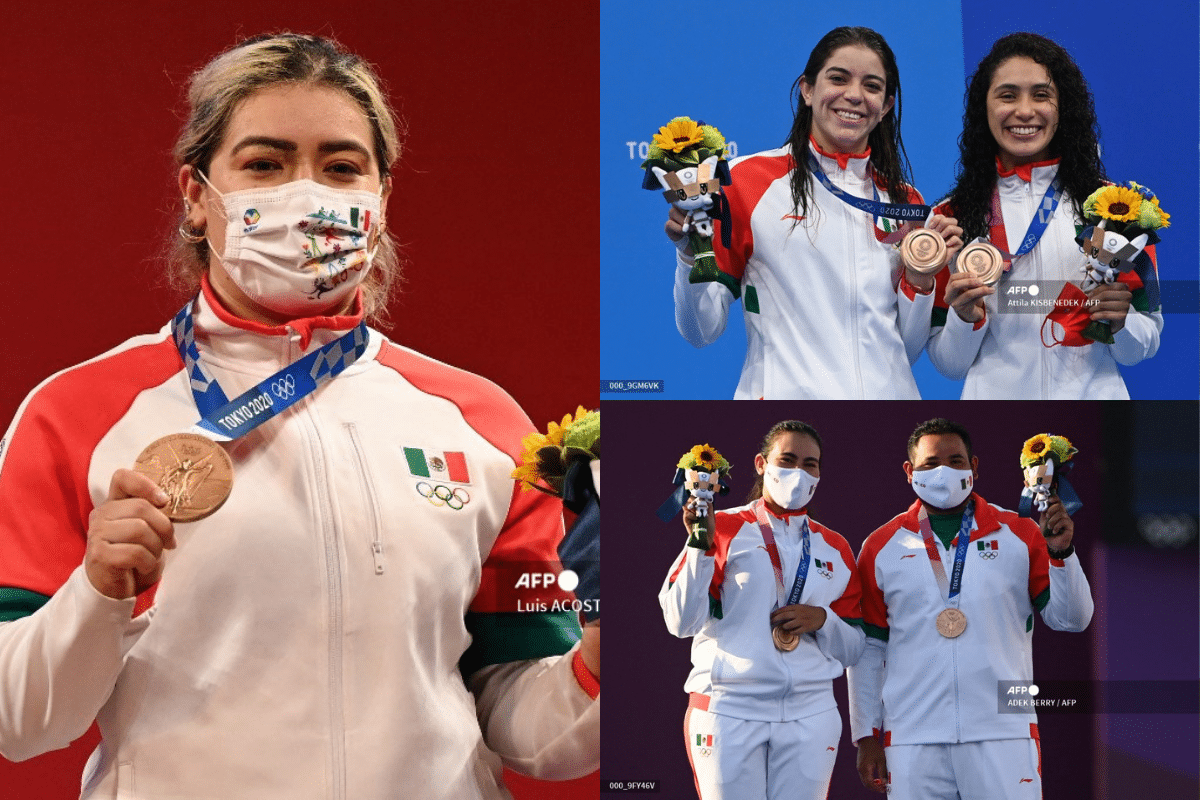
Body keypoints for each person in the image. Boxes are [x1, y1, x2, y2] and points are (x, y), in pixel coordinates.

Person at [0, 33, 598, 798]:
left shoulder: (479, 423)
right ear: (195, 195)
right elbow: (18, 724)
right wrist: (95, 592)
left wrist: (607, 652)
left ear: (380, 201)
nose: (306, 193)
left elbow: (528, 729)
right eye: (264, 163)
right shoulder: (78, 413)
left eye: (342, 166)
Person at [665, 26, 962, 400]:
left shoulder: (906, 202)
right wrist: (689, 255)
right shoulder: (744, 183)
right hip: (785, 425)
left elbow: (903, 349)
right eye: (838, 78)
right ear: (807, 89)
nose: (854, 96)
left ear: (886, 106)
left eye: (872, 86)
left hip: (886, 423)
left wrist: (920, 280)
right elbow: (700, 331)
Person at [849, 418, 1093, 799]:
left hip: (1003, 734)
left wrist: (1061, 553)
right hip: (913, 739)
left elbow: (1073, 619)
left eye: (956, 460)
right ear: (909, 472)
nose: (944, 471)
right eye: (931, 463)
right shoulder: (881, 545)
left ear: (974, 467)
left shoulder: (1020, 533)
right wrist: (866, 734)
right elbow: (868, 648)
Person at [924, 32, 1162, 398]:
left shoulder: (1114, 208)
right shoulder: (950, 219)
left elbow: (1143, 345)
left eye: (1041, 94)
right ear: (982, 108)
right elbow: (949, 365)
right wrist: (963, 318)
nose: (1024, 110)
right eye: (1007, 95)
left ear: (1062, 106)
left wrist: (1122, 322)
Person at [659, 421, 865, 799]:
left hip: (812, 714)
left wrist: (823, 620)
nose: (798, 473)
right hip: (728, 711)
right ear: (761, 463)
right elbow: (681, 621)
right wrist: (698, 544)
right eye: (787, 460)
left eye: (810, 464)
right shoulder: (722, 528)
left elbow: (854, 649)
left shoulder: (835, 548)